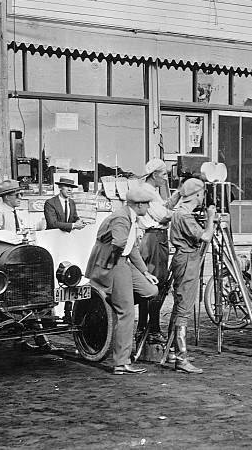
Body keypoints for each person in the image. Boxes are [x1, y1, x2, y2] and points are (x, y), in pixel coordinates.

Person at [85, 186, 159, 375]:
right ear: (139, 205)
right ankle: (121, 363)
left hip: (124, 262)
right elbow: (119, 243)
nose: (149, 208)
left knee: (150, 291)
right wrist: (116, 259)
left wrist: (144, 272)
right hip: (114, 265)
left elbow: (130, 246)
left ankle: (113, 301)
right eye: (147, 204)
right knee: (126, 313)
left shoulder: (130, 217)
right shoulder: (121, 217)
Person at [168, 178, 216, 373]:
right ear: (197, 194)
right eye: (203, 193)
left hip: (186, 259)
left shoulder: (181, 213)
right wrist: (211, 217)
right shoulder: (184, 216)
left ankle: (173, 350)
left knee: (181, 305)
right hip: (187, 260)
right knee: (184, 308)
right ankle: (181, 358)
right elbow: (206, 236)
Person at [136, 158, 181, 345]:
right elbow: (162, 215)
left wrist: (179, 194)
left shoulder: (152, 191)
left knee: (154, 283)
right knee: (155, 283)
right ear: (154, 175)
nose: (165, 178)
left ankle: (146, 328)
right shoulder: (147, 191)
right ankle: (151, 329)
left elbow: (165, 207)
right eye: (163, 174)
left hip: (156, 237)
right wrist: (183, 213)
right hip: (154, 238)